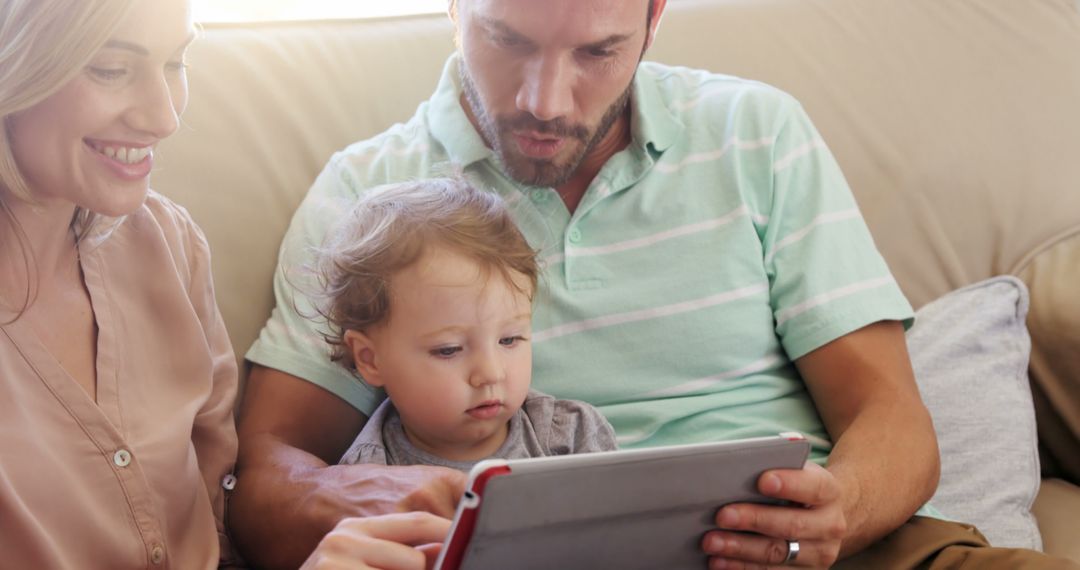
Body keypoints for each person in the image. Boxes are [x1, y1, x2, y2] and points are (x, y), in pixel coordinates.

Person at [230, 1, 1077, 569]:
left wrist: (840, 511)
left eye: (598, 50)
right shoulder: (366, 193)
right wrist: (354, 494)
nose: (545, 100)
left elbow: (892, 417)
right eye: (508, 39)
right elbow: (264, 480)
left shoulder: (755, 131)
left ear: (655, 16)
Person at [0, 1, 449, 568]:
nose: (164, 118)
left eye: (175, 62)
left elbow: (218, 526)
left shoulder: (168, 246)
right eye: (112, 69)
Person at [313, 177, 617, 470]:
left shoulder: (572, 439)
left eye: (509, 340)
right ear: (370, 359)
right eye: (449, 350)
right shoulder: (369, 479)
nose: (490, 373)